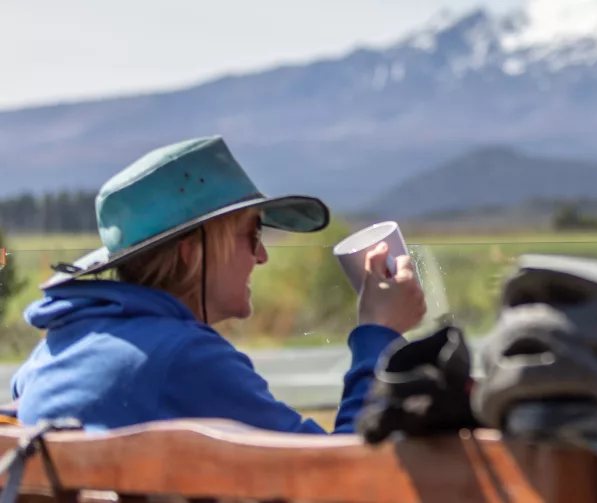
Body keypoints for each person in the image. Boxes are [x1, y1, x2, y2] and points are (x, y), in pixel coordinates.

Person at [9, 136, 426, 434]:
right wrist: (380, 333)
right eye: (253, 234)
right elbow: (345, 479)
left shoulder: (50, 354)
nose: (261, 256)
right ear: (192, 252)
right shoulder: (182, 357)